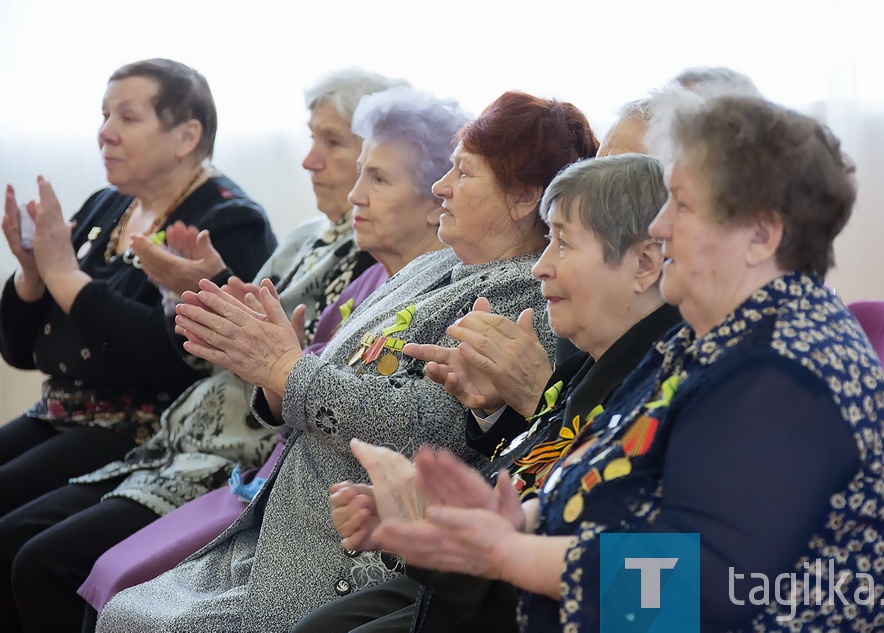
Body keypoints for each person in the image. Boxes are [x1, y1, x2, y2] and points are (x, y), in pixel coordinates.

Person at [369, 95, 884, 632]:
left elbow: (698, 593)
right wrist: (502, 520)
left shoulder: (788, 370)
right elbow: (598, 469)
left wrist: (504, 552)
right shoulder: (717, 341)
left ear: (759, 236)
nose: (658, 229)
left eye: (681, 206)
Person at [95, 90, 597, 632]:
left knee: (131, 616)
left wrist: (285, 368)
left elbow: (428, 428)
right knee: (123, 605)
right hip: (294, 525)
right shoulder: (436, 266)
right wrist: (273, 374)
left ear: (523, 197)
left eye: (463, 173)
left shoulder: (525, 298)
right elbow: (339, 372)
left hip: (349, 554)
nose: (440, 188)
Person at [71, 69, 408, 626]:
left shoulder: (381, 264)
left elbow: (310, 380)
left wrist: (66, 277)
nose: (309, 161)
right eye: (310, 138)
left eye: (333, 142)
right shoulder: (307, 237)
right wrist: (205, 292)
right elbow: (221, 357)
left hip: (250, 458)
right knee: (86, 573)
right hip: (193, 437)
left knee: (73, 569)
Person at [296, 153, 683, 633]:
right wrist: (432, 516)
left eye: (563, 243)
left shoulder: (694, 386)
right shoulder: (602, 358)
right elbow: (541, 467)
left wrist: (440, 533)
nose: (541, 267)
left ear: (647, 261)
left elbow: (661, 596)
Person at [0, 57, 278, 631]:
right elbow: (22, 350)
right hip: (64, 409)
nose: (105, 132)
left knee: (18, 544)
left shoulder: (230, 221)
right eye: (104, 115)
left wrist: (64, 277)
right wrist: (33, 274)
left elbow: (166, 360)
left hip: (141, 425)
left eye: (126, 116)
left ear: (186, 136)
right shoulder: (109, 206)